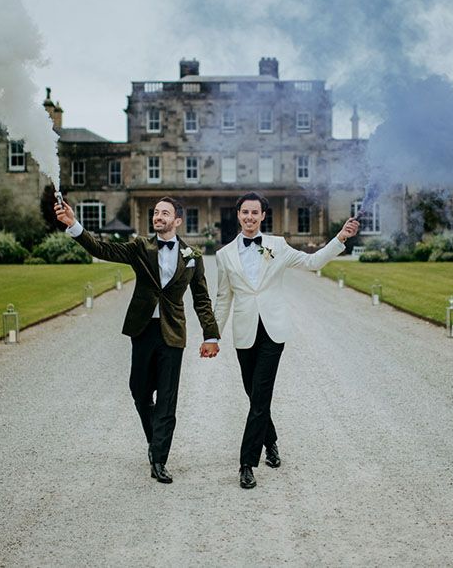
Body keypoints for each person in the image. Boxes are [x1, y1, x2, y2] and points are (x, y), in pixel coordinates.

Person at [55, 196, 220, 484]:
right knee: (140, 392)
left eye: (165, 213)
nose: (158, 216)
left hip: (173, 332)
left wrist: (211, 335)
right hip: (143, 329)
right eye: (156, 212)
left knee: (167, 400)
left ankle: (159, 459)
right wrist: (74, 225)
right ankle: (155, 439)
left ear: (177, 220)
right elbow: (103, 248)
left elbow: (202, 298)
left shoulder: (192, 256)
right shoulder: (140, 247)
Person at [201, 192, 359, 489]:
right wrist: (212, 336)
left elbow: (312, 262)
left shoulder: (278, 246)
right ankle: (270, 441)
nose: (249, 217)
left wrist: (340, 238)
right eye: (244, 212)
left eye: (254, 213)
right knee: (254, 395)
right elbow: (223, 299)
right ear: (238, 215)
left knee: (260, 397)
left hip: (273, 331)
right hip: (245, 333)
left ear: (263, 216)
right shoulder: (224, 256)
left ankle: (247, 464)